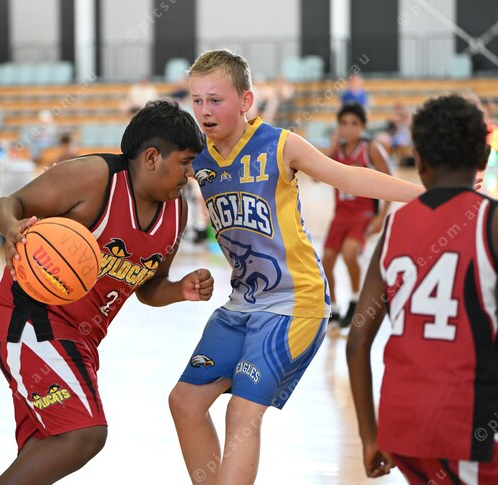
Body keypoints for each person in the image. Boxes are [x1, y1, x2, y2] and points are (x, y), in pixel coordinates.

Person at [168, 49, 424, 485]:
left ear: (246, 101)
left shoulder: (279, 144)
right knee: (184, 402)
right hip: (242, 302)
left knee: (241, 411)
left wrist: (425, 194)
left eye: (216, 100)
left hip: (295, 301)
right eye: (197, 100)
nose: (205, 111)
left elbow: (349, 176)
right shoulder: (197, 158)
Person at [0, 100, 213, 484]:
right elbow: (7, 204)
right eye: (185, 162)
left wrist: (179, 290)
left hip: (82, 339)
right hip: (30, 323)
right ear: (152, 157)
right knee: (85, 435)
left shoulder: (177, 213)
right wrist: (11, 227)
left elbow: (148, 287)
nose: (190, 174)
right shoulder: (94, 178)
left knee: (44, 449)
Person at [347, 94, 497, 483]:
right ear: (484, 157)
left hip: (401, 424)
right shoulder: (490, 221)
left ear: (419, 159)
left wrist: (369, 436)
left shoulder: (394, 228)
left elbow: (358, 340)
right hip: (464, 424)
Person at [322, 103, 392, 327]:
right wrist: (331, 147)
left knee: (349, 254)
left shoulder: (371, 149)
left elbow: (390, 181)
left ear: (363, 126)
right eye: (344, 123)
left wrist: (382, 216)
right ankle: (333, 309)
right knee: (326, 261)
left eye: (354, 123)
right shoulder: (336, 151)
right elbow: (315, 176)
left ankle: (355, 300)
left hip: (363, 214)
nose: (348, 128)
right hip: (340, 214)